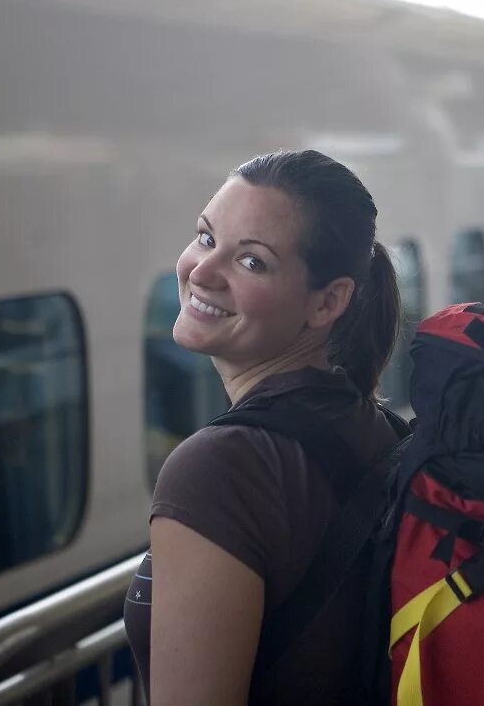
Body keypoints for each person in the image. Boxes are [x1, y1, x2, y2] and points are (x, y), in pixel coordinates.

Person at [123, 149, 402, 705]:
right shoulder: (378, 427)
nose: (201, 271)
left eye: (252, 262)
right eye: (206, 238)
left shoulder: (218, 472)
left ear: (328, 302)